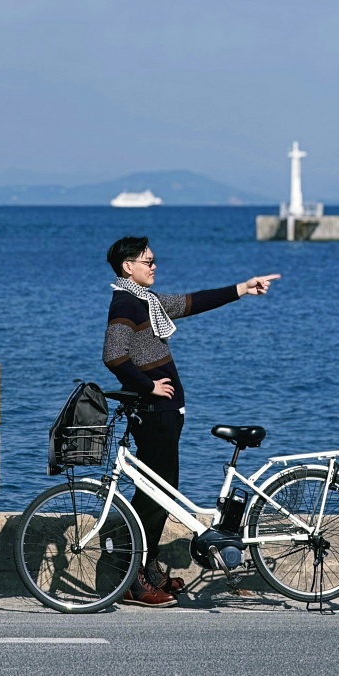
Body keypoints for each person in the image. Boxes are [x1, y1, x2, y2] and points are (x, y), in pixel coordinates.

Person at [102, 235, 280, 607]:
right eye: (147, 261)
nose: (154, 266)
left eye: (154, 260)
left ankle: (149, 569)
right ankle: (135, 580)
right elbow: (114, 355)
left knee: (160, 493)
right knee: (153, 496)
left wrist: (242, 288)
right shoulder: (126, 303)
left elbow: (191, 302)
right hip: (154, 414)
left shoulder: (146, 301)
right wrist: (149, 386)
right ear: (128, 267)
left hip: (165, 414)